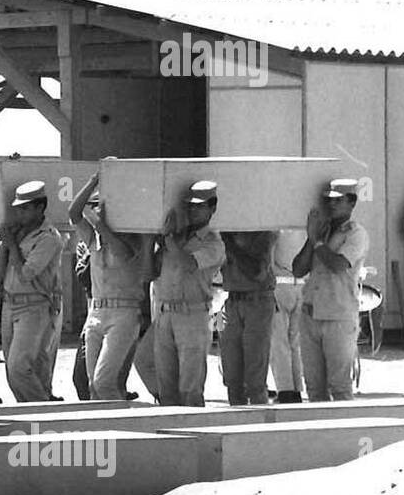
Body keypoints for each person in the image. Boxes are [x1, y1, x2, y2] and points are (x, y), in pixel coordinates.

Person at [69, 172, 149, 401]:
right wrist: (94, 180)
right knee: (92, 385)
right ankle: (104, 426)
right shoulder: (94, 239)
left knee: (105, 382)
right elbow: (74, 213)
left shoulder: (134, 238)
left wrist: (100, 225)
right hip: (96, 311)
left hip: (123, 313)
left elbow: (123, 253)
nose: (98, 211)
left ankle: (121, 425)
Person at [294, 178, 369, 402]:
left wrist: (317, 242)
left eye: (338, 200)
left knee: (340, 386)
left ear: (351, 202)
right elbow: (298, 269)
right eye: (329, 200)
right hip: (311, 314)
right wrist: (312, 238)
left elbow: (338, 264)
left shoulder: (356, 233)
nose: (332, 205)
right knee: (314, 387)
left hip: (338, 316)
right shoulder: (322, 232)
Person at [152, 181, 226, 407]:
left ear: (212, 208)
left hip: (192, 314)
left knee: (190, 387)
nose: (193, 210)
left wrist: (168, 240)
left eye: (199, 206)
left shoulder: (213, 242)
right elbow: (153, 270)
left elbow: (188, 264)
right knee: (166, 385)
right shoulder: (177, 236)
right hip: (165, 312)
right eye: (190, 206)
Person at [0, 181, 66, 403]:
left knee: (19, 366)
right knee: (15, 369)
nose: (19, 213)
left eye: (25, 209)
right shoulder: (18, 234)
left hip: (34, 305)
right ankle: (31, 409)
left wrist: (12, 245)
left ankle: (42, 409)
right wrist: (7, 245)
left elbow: (27, 273)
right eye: (18, 208)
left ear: (40, 208)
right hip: (10, 304)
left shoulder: (49, 237)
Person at [219, 230, 277, 405]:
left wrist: (229, 243)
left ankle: (259, 424)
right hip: (231, 300)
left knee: (255, 377)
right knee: (231, 377)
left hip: (257, 300)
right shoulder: (224, 234)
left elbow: (257, 271)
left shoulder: (263, 233)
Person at [269, 228, 307, 403]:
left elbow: (269, 257)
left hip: (279, 285)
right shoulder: (302, 225)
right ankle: (297, 389)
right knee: (295, 342)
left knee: (278, 342)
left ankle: (285, 390)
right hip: (301, 285)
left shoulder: (276, 225)